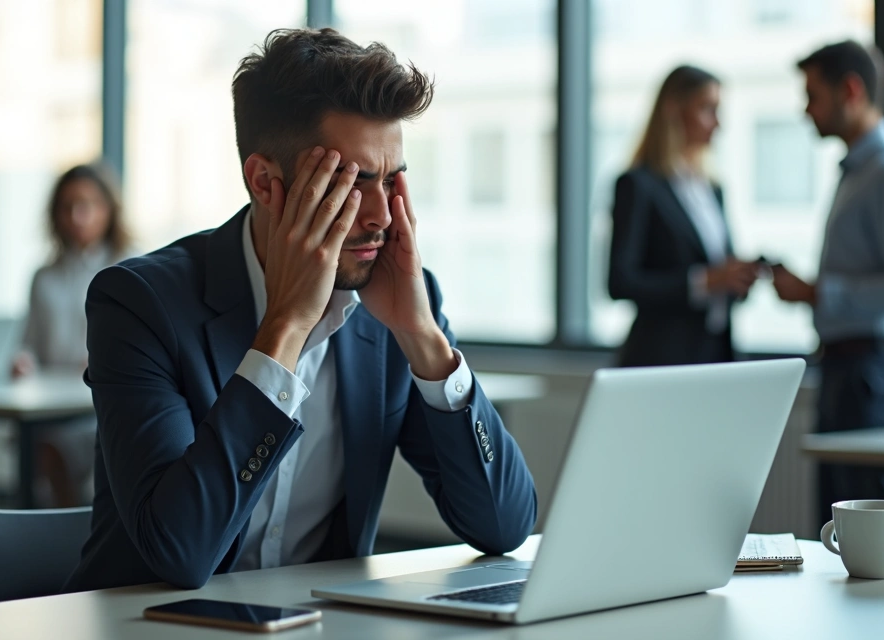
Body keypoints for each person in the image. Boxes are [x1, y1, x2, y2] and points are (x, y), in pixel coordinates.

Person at [63, 28, 537, 593]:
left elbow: (503, 525)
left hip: (320, 624)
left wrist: (423, 337)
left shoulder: (400, 303)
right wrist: (284, 328)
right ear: (266, 183)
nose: (384, 215)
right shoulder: (139, 303)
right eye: (353, 183)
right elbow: (180, 551)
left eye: (392, 180)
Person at [770, 41, 884, 529]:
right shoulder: (859, 171)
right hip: (848, 370)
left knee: (866, 541)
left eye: (813, 96)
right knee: (839, 533)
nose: (805, 111)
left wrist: (818, 293)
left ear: (850, 90)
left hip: (872, 375)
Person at [608, 65, 760, 367]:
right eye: (707, 109)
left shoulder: (712, 189)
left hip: (715, 353)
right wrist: (702, 282)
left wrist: (737, 277)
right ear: (673, 109)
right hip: (662, 358)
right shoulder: (638, 185)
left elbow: (720, 276)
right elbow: (620, 281)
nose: (718, 123)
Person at [13, 164, 133, 507]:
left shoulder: (130, 267)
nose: (77, 216)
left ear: (109, 210)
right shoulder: (44, 276)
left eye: (88, 205)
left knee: (54, 447)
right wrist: (24, 360)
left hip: (100, 407)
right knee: (32, 440)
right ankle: (46, 531)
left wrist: (106, 361)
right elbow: (30, 343)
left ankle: (65, 533)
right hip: (47, 405)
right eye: (67, 207)